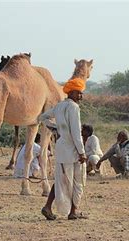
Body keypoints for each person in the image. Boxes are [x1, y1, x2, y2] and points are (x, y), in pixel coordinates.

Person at [38, 78, 87, 220]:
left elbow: (43, 117)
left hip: (61, 147)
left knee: (61, 180)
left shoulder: (59, 106)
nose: (81, 96)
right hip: (72, 150)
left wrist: (56, 127)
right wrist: (82, 152)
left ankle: (49, 207)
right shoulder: (74, 107)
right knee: (77, 181)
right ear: (71, 92)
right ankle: (73, 211)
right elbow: (76, 133)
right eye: (79, 93)